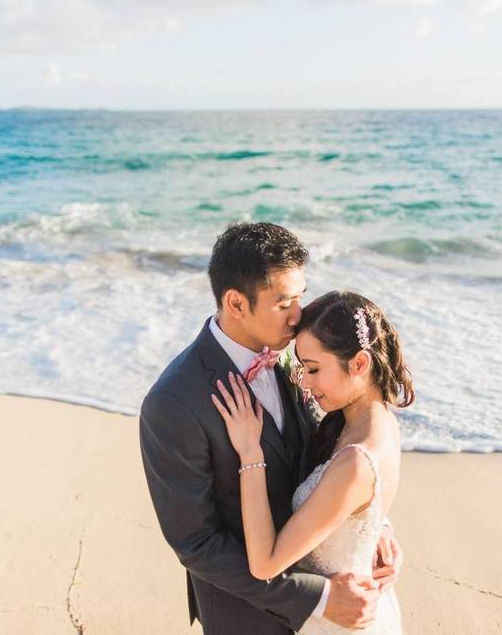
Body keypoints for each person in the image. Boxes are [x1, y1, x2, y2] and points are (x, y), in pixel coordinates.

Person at [139, 222, 403, 634]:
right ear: (236, 303)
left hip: (336, 590)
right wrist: (317, 597)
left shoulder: (292, 352)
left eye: (300, 296)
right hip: (246, 615)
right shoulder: (173, 404)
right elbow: (197, 544)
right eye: (284, 303)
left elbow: (331, 456)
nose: (299, 316)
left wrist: (369, 523)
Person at [212, 290, 412, 634]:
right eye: (303, 367)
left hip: (341, 621)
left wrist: (250, 453)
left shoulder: (356, 460)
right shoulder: (377, 421)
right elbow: (361, 508)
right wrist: (379, 527)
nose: (304, 381)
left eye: (314, 369)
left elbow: (265, 564)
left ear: (360, 363)